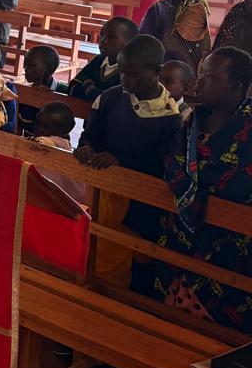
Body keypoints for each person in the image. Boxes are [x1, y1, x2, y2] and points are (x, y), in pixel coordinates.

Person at [151, 47, 252, 340]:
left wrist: (187, 186)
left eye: (210, 78)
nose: (199, 84)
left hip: (226, 250)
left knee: (208, 338)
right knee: (170, 329)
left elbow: (238, 190)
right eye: (201, 74)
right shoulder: (193, 119)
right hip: (180, 240)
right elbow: (172, 160)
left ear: (235, 86)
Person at [74, 35, 183, 288]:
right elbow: (90, 135)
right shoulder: (110, 98)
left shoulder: (171, 118)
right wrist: (86, 148)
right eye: (122, 72)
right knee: (97, 250)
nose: (124, 80)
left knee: (135, 260)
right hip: (104, 196)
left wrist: (120, 162)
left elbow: (162, 166)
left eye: (132, 75)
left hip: (141, 202)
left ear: (156, 72)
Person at [137, 0, 212, 69]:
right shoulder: (158, 9)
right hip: (160, 69)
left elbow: (202, 51)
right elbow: (144, 41)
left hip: (189, 73)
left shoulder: (198, 11)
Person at [30, 102, 87, 206]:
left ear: (64, 131)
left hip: (72, 203)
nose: (39, 129)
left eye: (47, 127)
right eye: (37, 123)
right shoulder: (61, 142)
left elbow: (46, 142)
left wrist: (35, 142)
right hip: (55, 198)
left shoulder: (59, 143)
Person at [68, 17, 137, 101]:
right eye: (102, 34)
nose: (103, 41)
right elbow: (74, 86)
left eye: (111, 37)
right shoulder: (99, 60)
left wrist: (90, 89)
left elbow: (116, 102)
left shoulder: (130, 71)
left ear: (130, 43)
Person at [16, 44, 63, 137]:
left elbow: (63, 127)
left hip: (54, 142)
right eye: (25, 64)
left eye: (32, 65)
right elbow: (24, 122)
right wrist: (33, 95)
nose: (25, 69)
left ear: (49, 69)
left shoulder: (63, 92)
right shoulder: (24, 91)